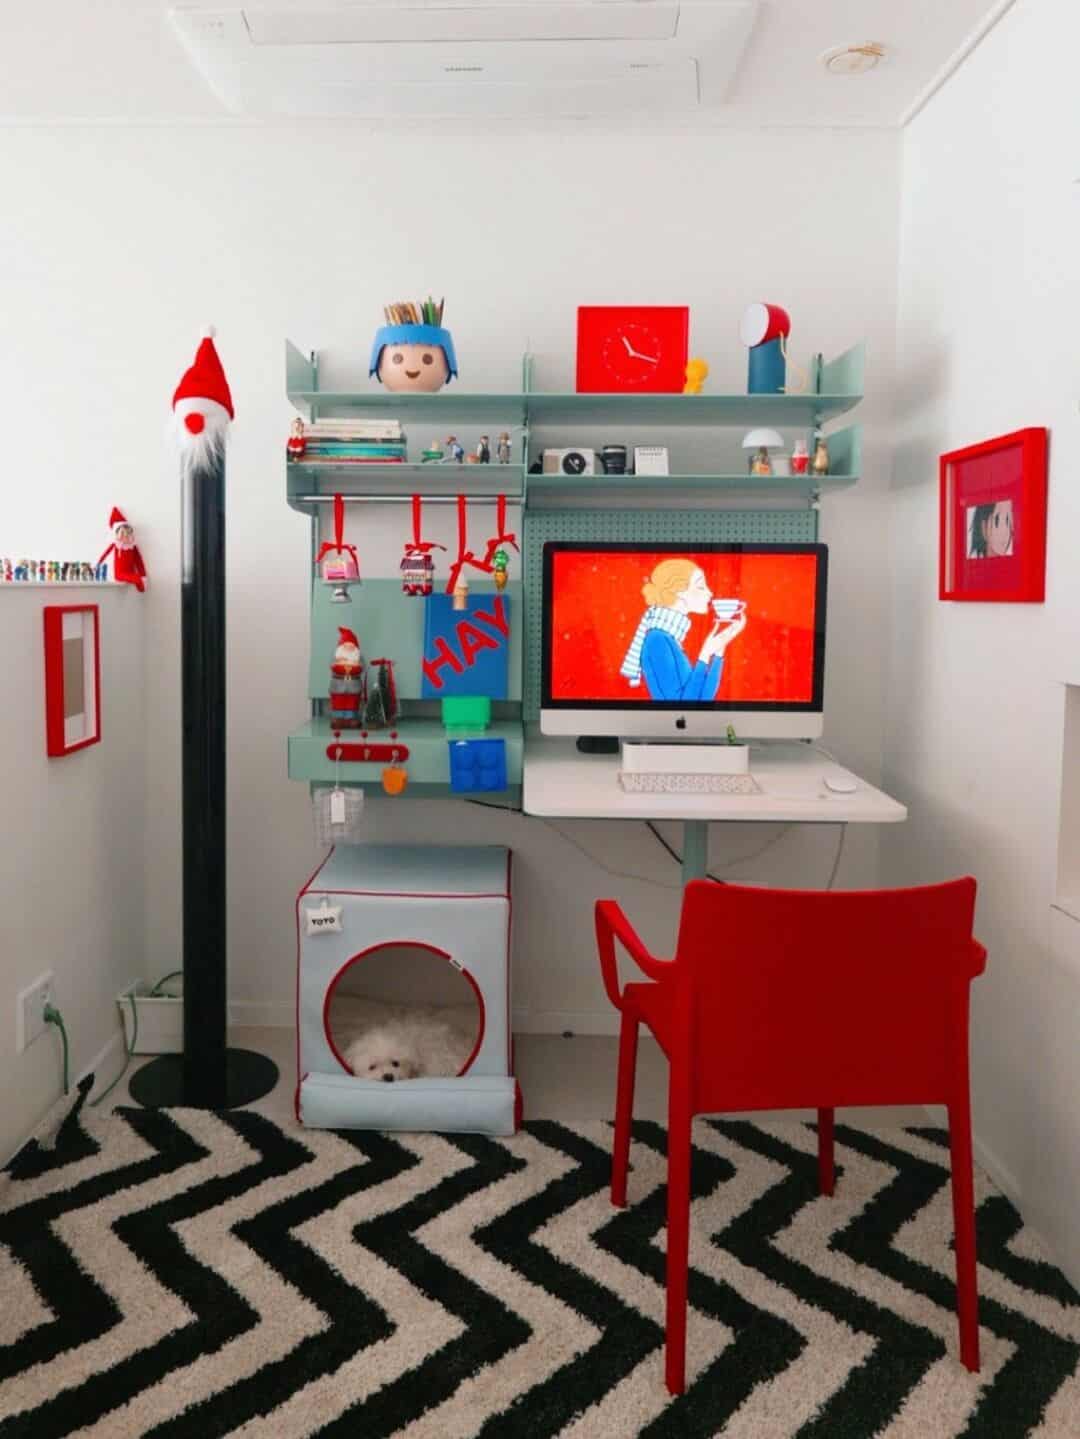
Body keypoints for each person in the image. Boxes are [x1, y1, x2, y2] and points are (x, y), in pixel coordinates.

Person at [619, 558, 746, 702]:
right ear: (680, 592)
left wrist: (719, 650)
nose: (710, 593)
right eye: (701, 586)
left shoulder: (671, 638)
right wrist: (704, 654)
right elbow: (682, 704)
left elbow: (703, 699)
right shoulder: (657, 639)